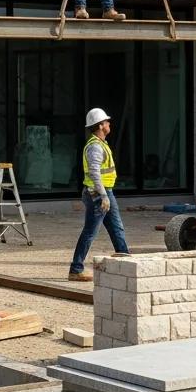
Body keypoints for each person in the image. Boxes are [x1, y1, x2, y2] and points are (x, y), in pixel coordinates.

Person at [68, 108, 130, 281]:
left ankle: (127, 263)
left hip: (104, 192)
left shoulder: (100, 143)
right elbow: (95, 173)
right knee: (90, 232)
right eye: (107, 122)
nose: (109, 124)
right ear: (101, 125)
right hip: (97, 194)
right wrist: (103, 196)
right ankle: (76, 269)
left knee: (116, 227)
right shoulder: (95, 146)